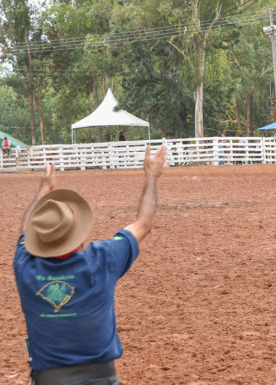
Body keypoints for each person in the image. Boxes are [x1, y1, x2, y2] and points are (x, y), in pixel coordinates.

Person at [13, 144, 167, 385]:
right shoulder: (102, 258)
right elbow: (143, 223)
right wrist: (152, 176)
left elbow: (25, 231)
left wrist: (43, 190)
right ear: (79, 235)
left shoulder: (25, 266)